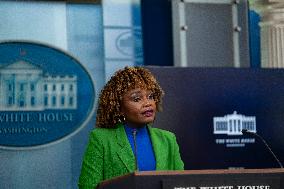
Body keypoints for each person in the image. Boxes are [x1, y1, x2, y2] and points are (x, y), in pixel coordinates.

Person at [78, 66, 184, 189]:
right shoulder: (101, 139)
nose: (147, 103)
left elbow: (180, 184)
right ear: (119, 108)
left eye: (150, 96)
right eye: (137, 99)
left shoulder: (168, 139)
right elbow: (87, 186)